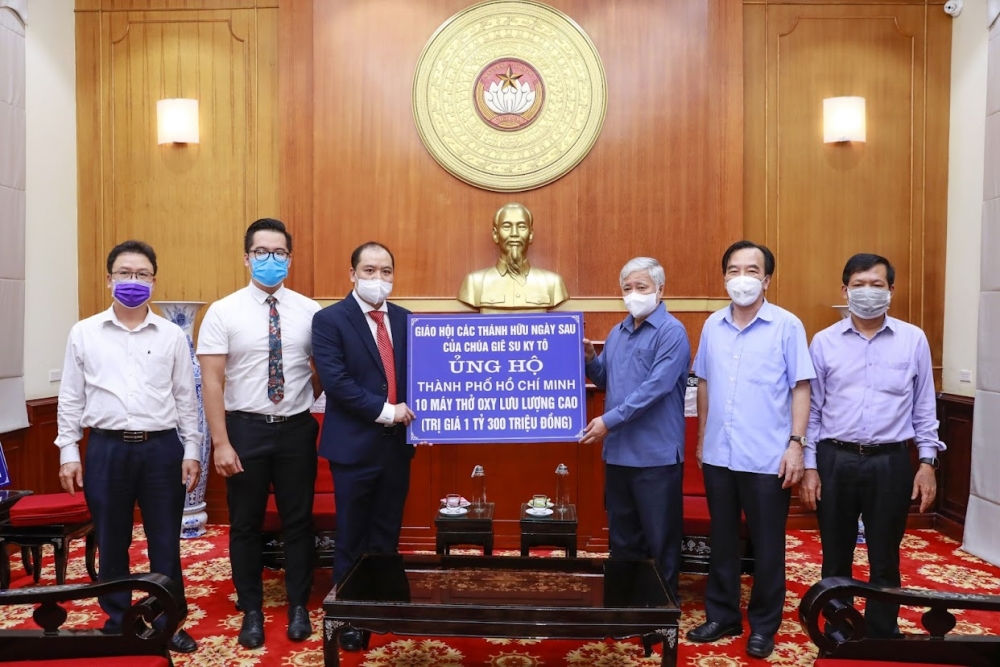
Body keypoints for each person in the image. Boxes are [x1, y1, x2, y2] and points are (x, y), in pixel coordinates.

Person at [55, 240, 201, 654]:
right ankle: (119, 620)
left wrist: (191, 449)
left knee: (164, 540)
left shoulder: (172, 335)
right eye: (124, 273)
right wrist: (69, 451)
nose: (133, 281)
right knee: (111, 538)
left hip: (161, 450)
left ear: (153, 281)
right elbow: (70, 397)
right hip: (106, 449)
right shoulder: (84, 332)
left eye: (142, 275)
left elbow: (184, 398)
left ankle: (167, 620)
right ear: (109, 279)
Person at [801, 253, 944, 638]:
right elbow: (812, 411)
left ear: (891, 291)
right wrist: (810, 466)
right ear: (845, 290)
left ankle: (882, 634)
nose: (868, 293)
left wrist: (927, 463)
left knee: (885, 555)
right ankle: (838, 629)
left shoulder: (913, 339)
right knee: (836, 554)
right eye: (859, 285)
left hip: (890, 462)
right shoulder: (824, 341)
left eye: (876, 285)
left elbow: (924, 408)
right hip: (835, 458)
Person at [197, 218, 321, 649]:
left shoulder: (310, 311)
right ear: (247, 257)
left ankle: (299, 605)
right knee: (245, 524)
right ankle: (251, 609)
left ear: (290, 257)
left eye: (279, 253)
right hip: (244, 430)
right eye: (262, 252)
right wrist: (220, 442)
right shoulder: (223, 311)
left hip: (296, 431)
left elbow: (322, 373)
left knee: (298, 522)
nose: (271, 259)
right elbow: (211, 382)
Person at [688, 240, 815, 660]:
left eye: (751, 270)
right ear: (724, 277)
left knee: (767, 545)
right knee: (722, 540)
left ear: (767, 279)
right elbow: (704, 382)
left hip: (767, 457)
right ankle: (722, 614)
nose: (741, 278)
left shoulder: (787, 325)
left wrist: (796, 445)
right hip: (720, 455)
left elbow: (801, 387)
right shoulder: (712, 325)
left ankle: (763, 625)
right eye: (733, 270)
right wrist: (703, 437)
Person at [311, 241, 415, 652]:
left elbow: (425, 378)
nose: (378, 279)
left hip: (395, 450)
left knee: (386, 534)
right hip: (353, 448)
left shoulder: (407, 320)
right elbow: (337, 384)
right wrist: (389, 412)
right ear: (352, 274)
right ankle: (350, 616)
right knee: (352, 536)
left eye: (386, 271)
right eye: (369, 271)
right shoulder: (330, 321)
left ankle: (383, 607)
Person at [581, 257, 690, 600]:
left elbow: (654, 390)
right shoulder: (617, 332)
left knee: (660, 542)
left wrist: (607, 421)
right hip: (619, 454)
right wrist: (589, 359)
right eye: (627, 288)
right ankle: (624, 607)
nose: (633, 294)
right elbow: (606, 381)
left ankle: (661, 613)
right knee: (622, 540)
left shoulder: (672, 332)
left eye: (641, 287)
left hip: (656, 457)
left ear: (660, 289)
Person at [457, 202, 569, 310]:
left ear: (530, 235)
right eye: (506, 227)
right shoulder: (474, 283)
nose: (514, 233)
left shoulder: (553, 284)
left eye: (521, 227)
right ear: (495, 235)